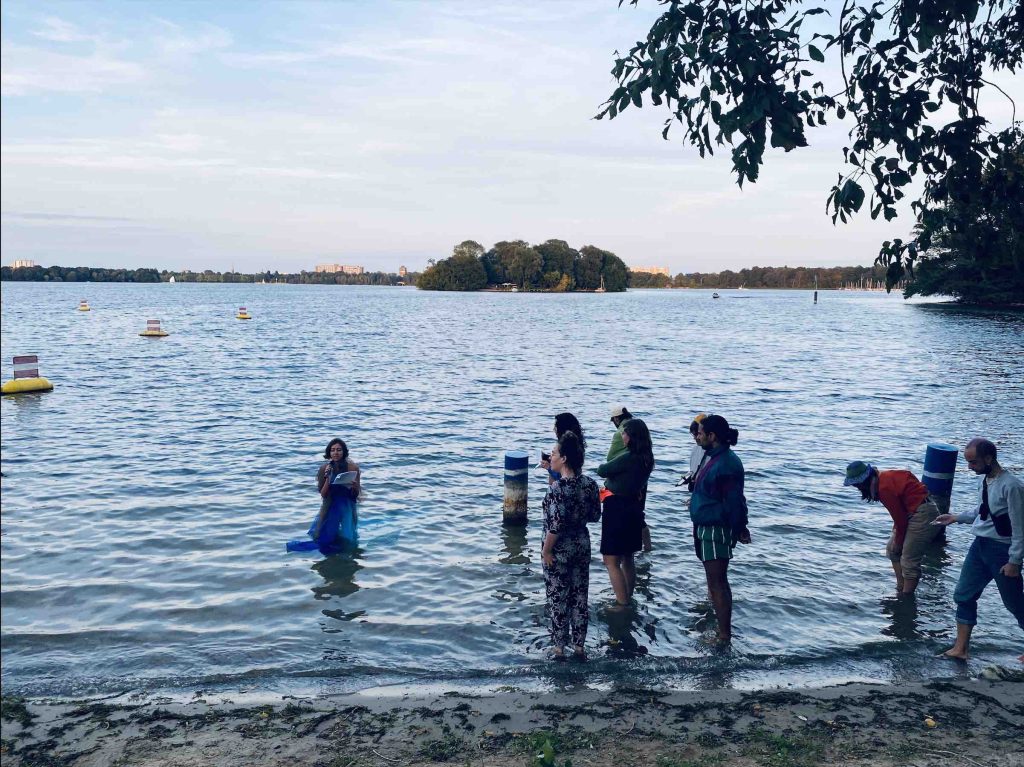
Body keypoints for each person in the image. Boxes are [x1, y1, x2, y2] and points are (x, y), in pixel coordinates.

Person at [933, 438, 1024, 660]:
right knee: (963, 595)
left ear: (988, 458)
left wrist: (1014, 561)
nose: (969, 467)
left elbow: (1020, 527)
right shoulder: (985, 480)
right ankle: (961, 649)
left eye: (973, 462)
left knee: (1014, 603)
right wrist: (955, 518)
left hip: (1002, 551)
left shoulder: (1011, 486)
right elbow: (982, 510)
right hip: (980, 547)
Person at [689, 414, 750, 644]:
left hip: (716, 527)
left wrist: (740, 527)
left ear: (712, 436)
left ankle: (724, 635)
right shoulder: (713, 456)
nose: (698, 435)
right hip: (706, 524)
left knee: (718, 582)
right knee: (715, 582)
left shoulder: (727, 463)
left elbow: (735, 501)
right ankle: (720, 630)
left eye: (701, 432)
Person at [843, 460, 945, 595]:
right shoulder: (883, 477)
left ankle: (905, 599)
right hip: (914, 512)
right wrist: (896, 537)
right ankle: (900, 587)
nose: (857, 488)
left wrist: (898, 541)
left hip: (922, 515)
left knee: (908, 561)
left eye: (857, 485)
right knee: (892, 551)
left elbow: (901, 520)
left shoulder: (884, 488)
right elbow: (901, 510)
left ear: (864, 482)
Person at [541, 431, 601, 660]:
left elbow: (555, 526)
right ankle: (579, 646)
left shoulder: (557, 489)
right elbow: (596, 515)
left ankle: (558, 647)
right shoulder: (590, 484)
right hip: (582, 545)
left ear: (564, 458)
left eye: (555, 452)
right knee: (579, 598)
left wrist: (546, 550)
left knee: (558, 598)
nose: (551, 455)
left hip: (559, 549)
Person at [597, 418, 654, 605]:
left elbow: (602, 470)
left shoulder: (629, 458)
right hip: (634, 509)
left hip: (617, 509)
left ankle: (622, 603)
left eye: (624, 433)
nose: (622, 436)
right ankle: (628, 596)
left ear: (631, 437)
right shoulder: (647, 458)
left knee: (611, 560)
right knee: (628, 556)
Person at [287, 438, 361, 555]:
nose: (335, 453)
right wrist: (328, 478)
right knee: (326, 537)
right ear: (329, 453)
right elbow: (322, 493)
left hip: (347, 504)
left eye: (339, 450)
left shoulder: (353, 468)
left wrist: (355, 486)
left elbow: (356, 495)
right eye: (332, 450)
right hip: (331, 503)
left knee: (349, 538)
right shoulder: (324, 468)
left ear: (344, 452)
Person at [607, 405, 652, 551]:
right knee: (638, 514)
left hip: (623, 480)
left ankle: (625, 549)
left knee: (621, 520)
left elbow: (610, 459)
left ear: (616, 418)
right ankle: (647, 547)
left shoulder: (620, 433)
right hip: (641, 478)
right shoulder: (639, 426)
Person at [540, 412, 588, 482]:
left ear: (561, 428)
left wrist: (549, 468)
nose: (554, 429)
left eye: (555, 427)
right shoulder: (577, 445)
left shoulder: (567, 447)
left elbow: (564, 474)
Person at [679, 412, 708, 491]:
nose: (695, 438)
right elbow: (693, 470)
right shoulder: (695, 450)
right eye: (694, 435)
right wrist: (688, 477)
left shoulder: (713, 453)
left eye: (697, 434)